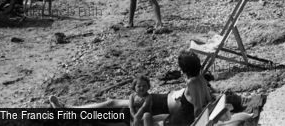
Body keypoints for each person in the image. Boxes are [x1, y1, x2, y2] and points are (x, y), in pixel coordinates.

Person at [50, 51, 213, 126]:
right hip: (162, 100)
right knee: (115, 109)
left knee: (112, 104)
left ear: (184, 69)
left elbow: (198, 109)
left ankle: (67, 111)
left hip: (160, 104)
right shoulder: (201, 79)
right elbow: (206, 102)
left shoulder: (193, 83)